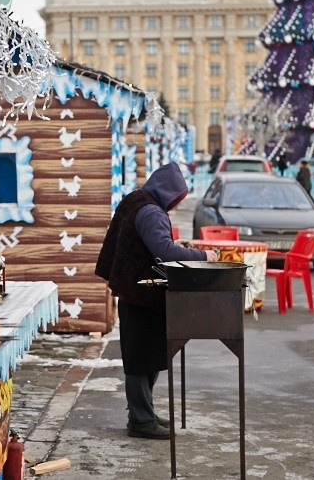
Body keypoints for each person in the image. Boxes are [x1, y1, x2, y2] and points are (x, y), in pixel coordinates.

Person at [95, 162, 219, 440]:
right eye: (176, 198)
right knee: (141, 360)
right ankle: (141, 420)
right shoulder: (151, 212)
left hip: (135, 290)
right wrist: (204, 257)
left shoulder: (137, 200)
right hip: (141, 294)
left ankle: (144, 413)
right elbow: (164, 251)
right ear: (168, 191)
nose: (174, 205)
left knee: (147, 356)